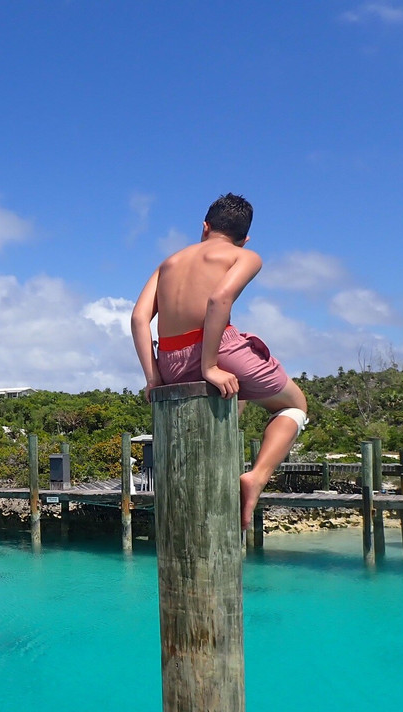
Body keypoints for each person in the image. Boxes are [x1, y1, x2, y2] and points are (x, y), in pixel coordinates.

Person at [130, 193, 308, 529]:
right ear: (245, 238)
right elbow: (219, 299)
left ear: (205, 227)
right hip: (217, 348)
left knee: (234, 394)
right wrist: (210, 365)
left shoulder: (168, 263)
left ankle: (224, 459)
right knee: (295, 406)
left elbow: (139, 318)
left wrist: (153, 377)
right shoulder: (246, 256)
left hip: (168, 360)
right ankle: (255, 477)